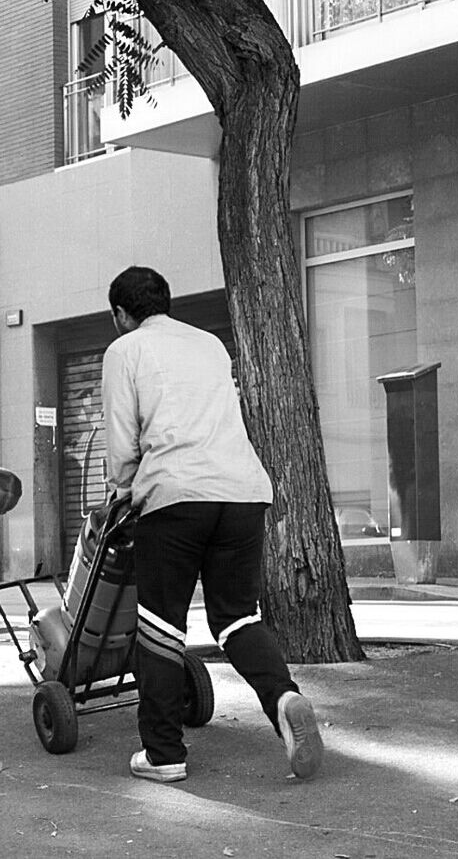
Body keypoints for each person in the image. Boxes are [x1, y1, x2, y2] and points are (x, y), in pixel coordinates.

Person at [101, 266, 323, 783]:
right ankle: (283, 697)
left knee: (159, 626)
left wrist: (124, 490)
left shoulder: (125, 350)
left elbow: (121, 436)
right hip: (243, 491)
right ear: (165, 302)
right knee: (236, 617)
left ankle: (164, 755)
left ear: (120, 313)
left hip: (175, 494)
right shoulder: (209, 345)